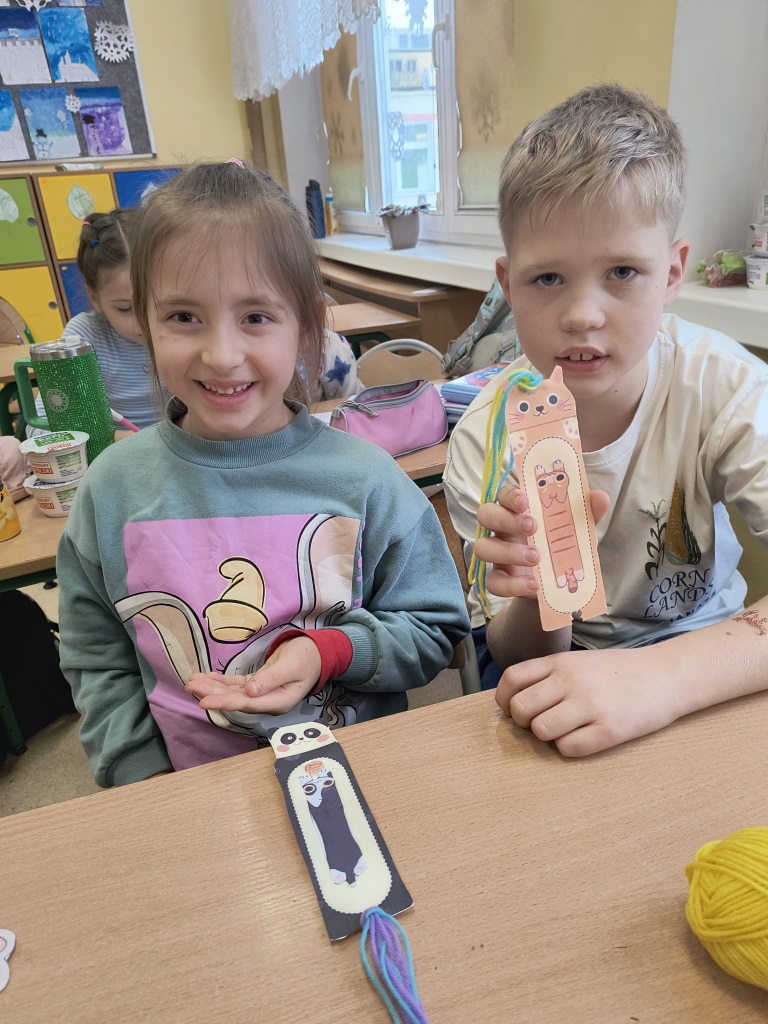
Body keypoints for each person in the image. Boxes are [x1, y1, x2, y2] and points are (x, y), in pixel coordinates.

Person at [57, 161, 469, 787]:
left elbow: (435, 630)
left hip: (361, 779)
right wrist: (142, 780)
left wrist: (332, 650)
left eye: (255, 317)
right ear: (144, 321)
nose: (222, 355)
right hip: (189, 795)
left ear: (306, 325)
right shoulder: (110, 490)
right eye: (183, 317)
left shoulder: (367, 480)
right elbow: (97, 659)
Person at [443, 84, 768, 758]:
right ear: (507, 285)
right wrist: (538, 591)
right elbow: (516, 651)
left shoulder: (726, 389)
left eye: (622, 271)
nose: (583, 316)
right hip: (567, 663)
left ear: (672, 273)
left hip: (706, 652)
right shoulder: (486, 438)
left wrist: (662, 679)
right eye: (547, 279)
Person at [31, 211, 168, 434]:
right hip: (115, 451)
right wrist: (114, 440)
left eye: (158, 303)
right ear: (95, 298)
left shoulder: (187, 326)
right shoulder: (85, 338)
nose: (145, 321)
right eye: (125, 308)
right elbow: (41, 427)